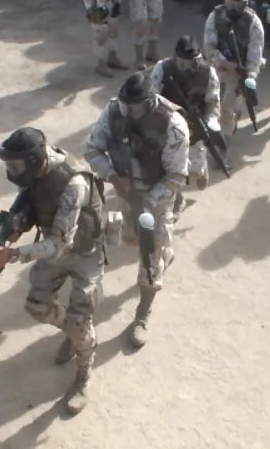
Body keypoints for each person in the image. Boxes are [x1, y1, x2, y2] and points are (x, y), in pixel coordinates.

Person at [0, 127, 107, 415]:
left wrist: (14, 254)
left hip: (84, 253)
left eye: (16, 165)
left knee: (80, 321)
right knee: (36, 306)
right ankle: (74, 332)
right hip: (57, 249)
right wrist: (15, 228)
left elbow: (57, 244)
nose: (12, 171)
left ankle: (83, 374)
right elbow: (33, 203)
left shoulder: (73, 184)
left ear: (34, 159)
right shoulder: (37, 172)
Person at [83, 72, 190, 348]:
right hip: (126, 191)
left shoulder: (173, 125)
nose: (128, 113)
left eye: (135, 108)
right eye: (125, 106)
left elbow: (177, 175)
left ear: (150, 103)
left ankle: (143, 313)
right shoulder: (113, 112)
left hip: (157, 197)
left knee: (149, 255)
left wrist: (149, 202)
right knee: (129, 238)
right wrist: (113, 178)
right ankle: (165, 252)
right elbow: (91, 149)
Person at [148, 35, 221, 193]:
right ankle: (176, 198)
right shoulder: (162, 68)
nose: (185, 67)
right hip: (167, 121)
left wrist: (210, 121)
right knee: (169, 168)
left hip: (195, 124)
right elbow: (152, 97)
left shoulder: (208, 72)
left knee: (194, 175)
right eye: (181, 62)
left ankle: (202, 170)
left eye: (190, 62)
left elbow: (213, 100)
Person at [203, 0, 266, 137]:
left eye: (237, 5)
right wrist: (224, 63)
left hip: (240, 70)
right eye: (230, 3)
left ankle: (224, 138)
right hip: (217, 64)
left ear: (245, 4)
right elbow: (209, 47)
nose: (232, 8)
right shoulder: (215, 16)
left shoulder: (253, 22)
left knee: (226, 108)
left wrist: (248, 78)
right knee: (210, 101)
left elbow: (254, 56)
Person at [83, 0, 131, 77]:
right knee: (102, 31)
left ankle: (112, 57)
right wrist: (101, 8)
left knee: (114, 27)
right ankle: (100, 64)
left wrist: (116, 4)